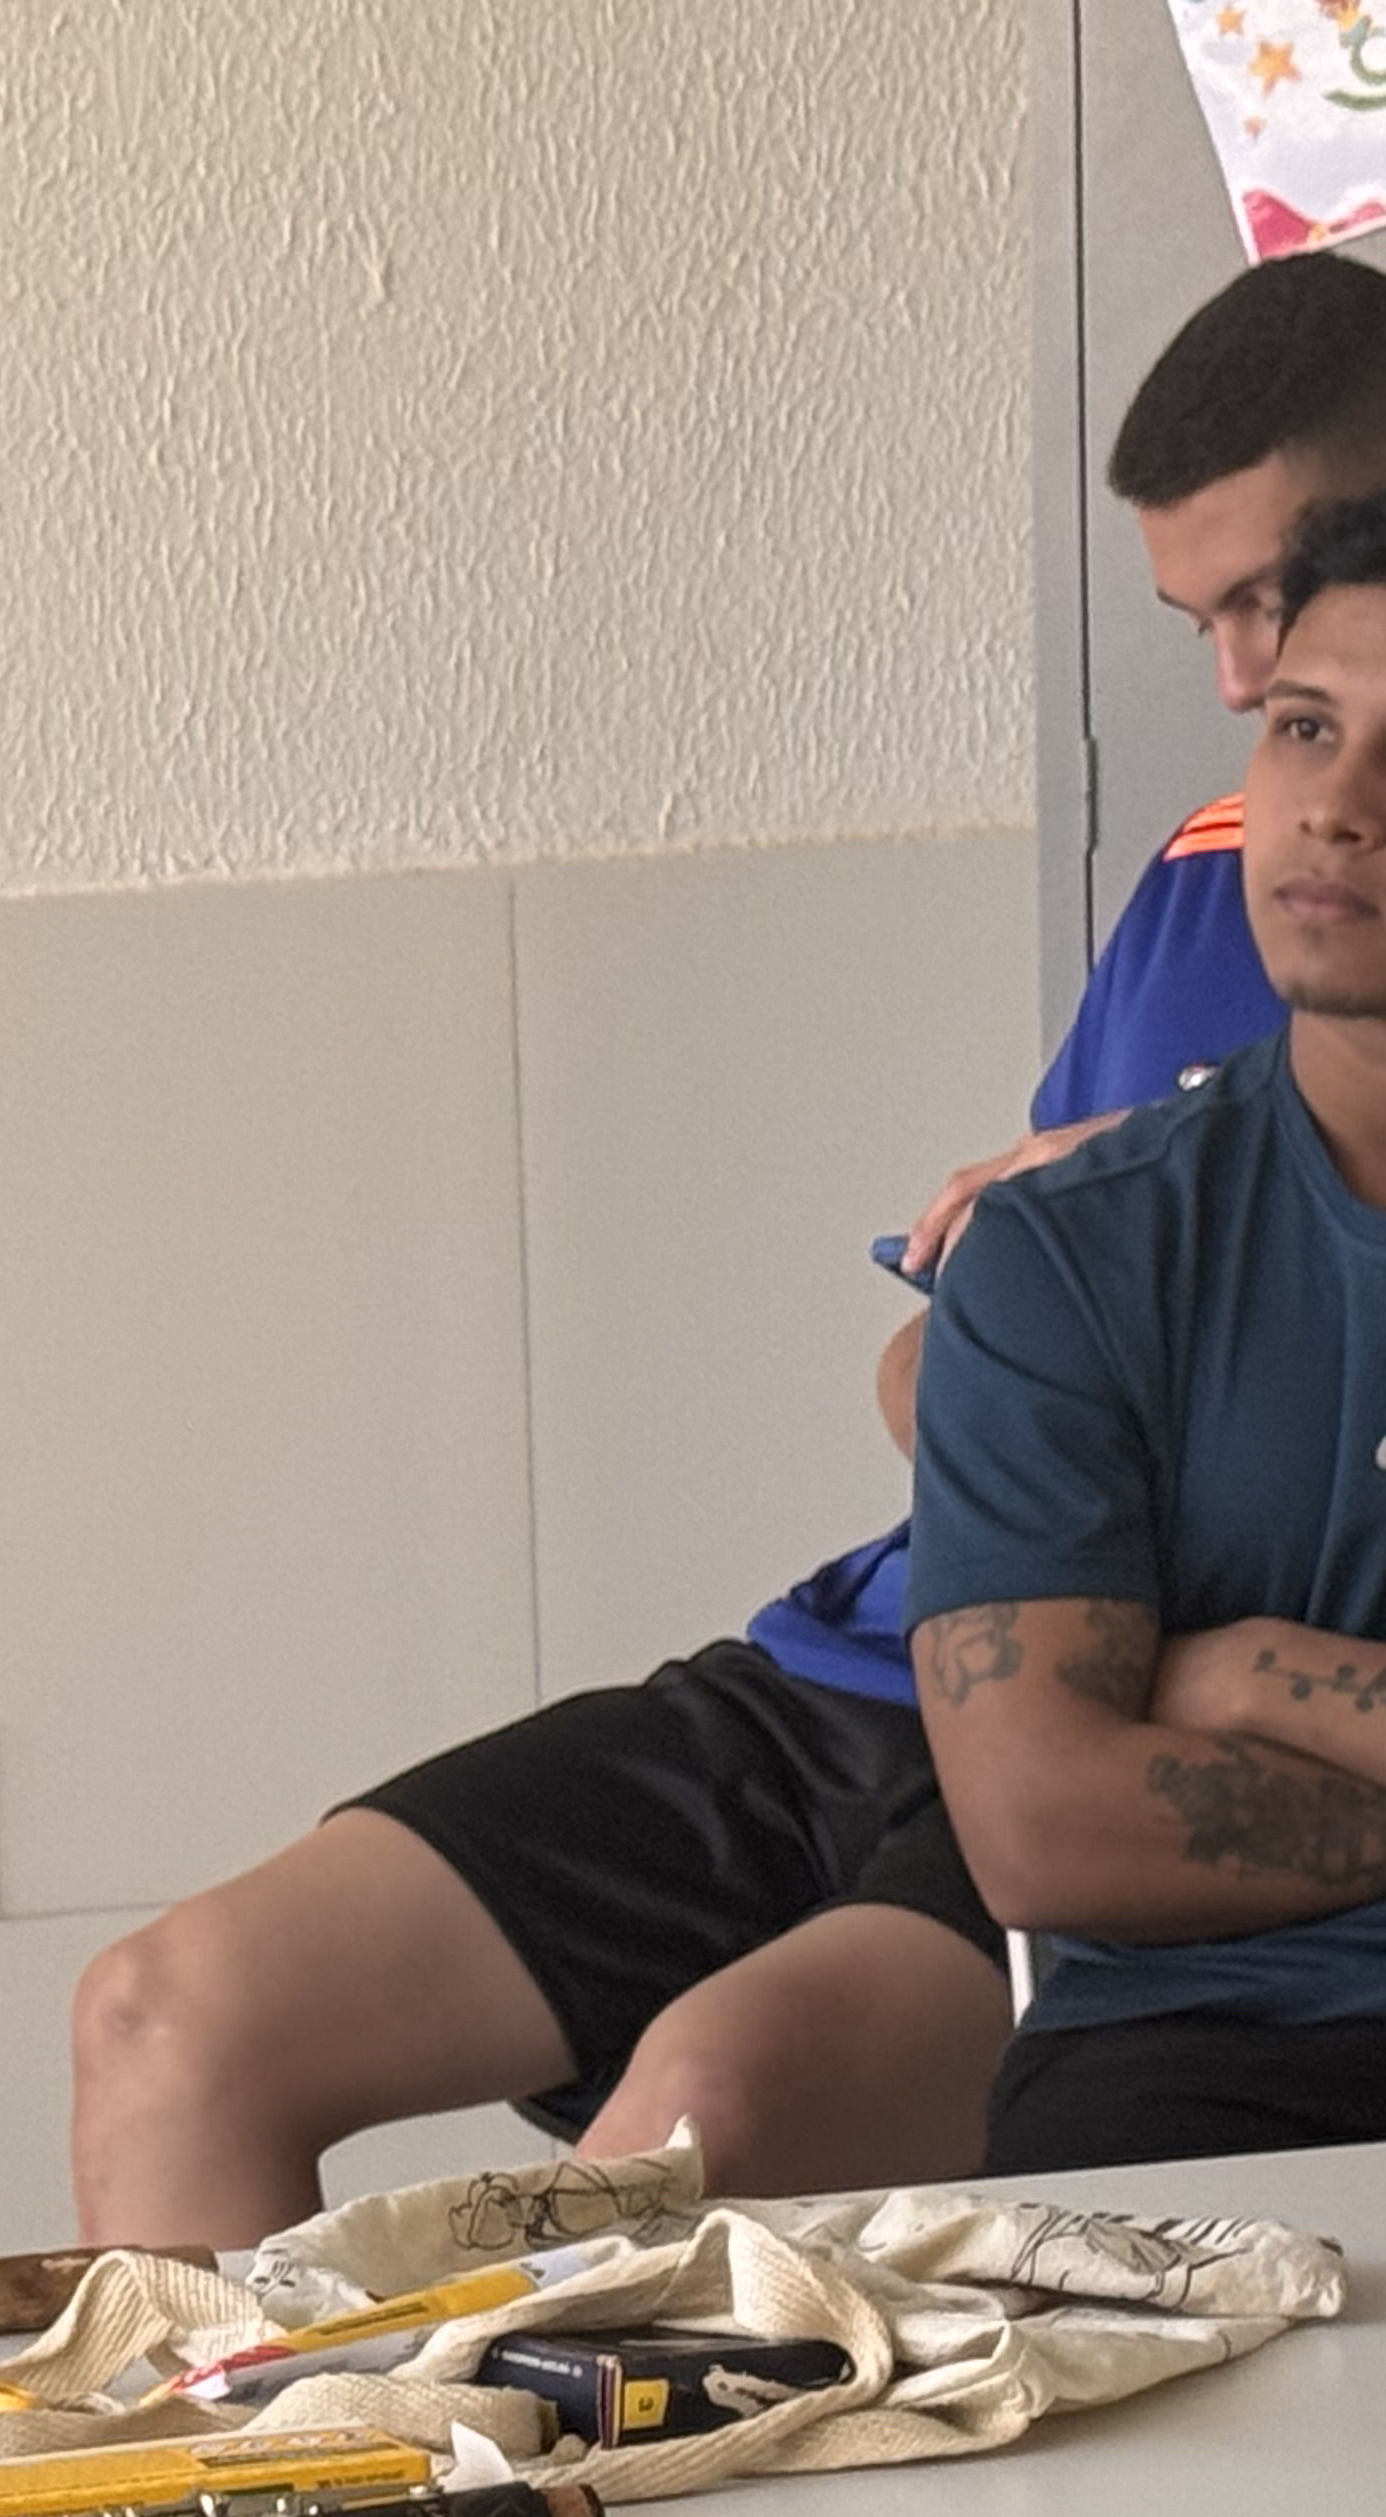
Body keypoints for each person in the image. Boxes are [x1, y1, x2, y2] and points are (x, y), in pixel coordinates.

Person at [68, 254, 1386, 2247]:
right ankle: (228, 2474)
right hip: (904, 1648)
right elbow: (950, 1366)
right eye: (1235, 655)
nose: (1236, 695)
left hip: (1115, 1740)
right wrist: (1071, 1298)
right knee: (170, 2014)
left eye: (1265, 601)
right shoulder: (1224, 870)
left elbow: (1073, 1754)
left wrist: (1225, 1639)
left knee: (692, 2136)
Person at [911, 485, 1386, 2171]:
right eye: (1306, 729)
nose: (1337, 809)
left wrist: (1265, 1681)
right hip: (1209, 2063)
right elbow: (1042, 1831)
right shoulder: (1072, 1254)